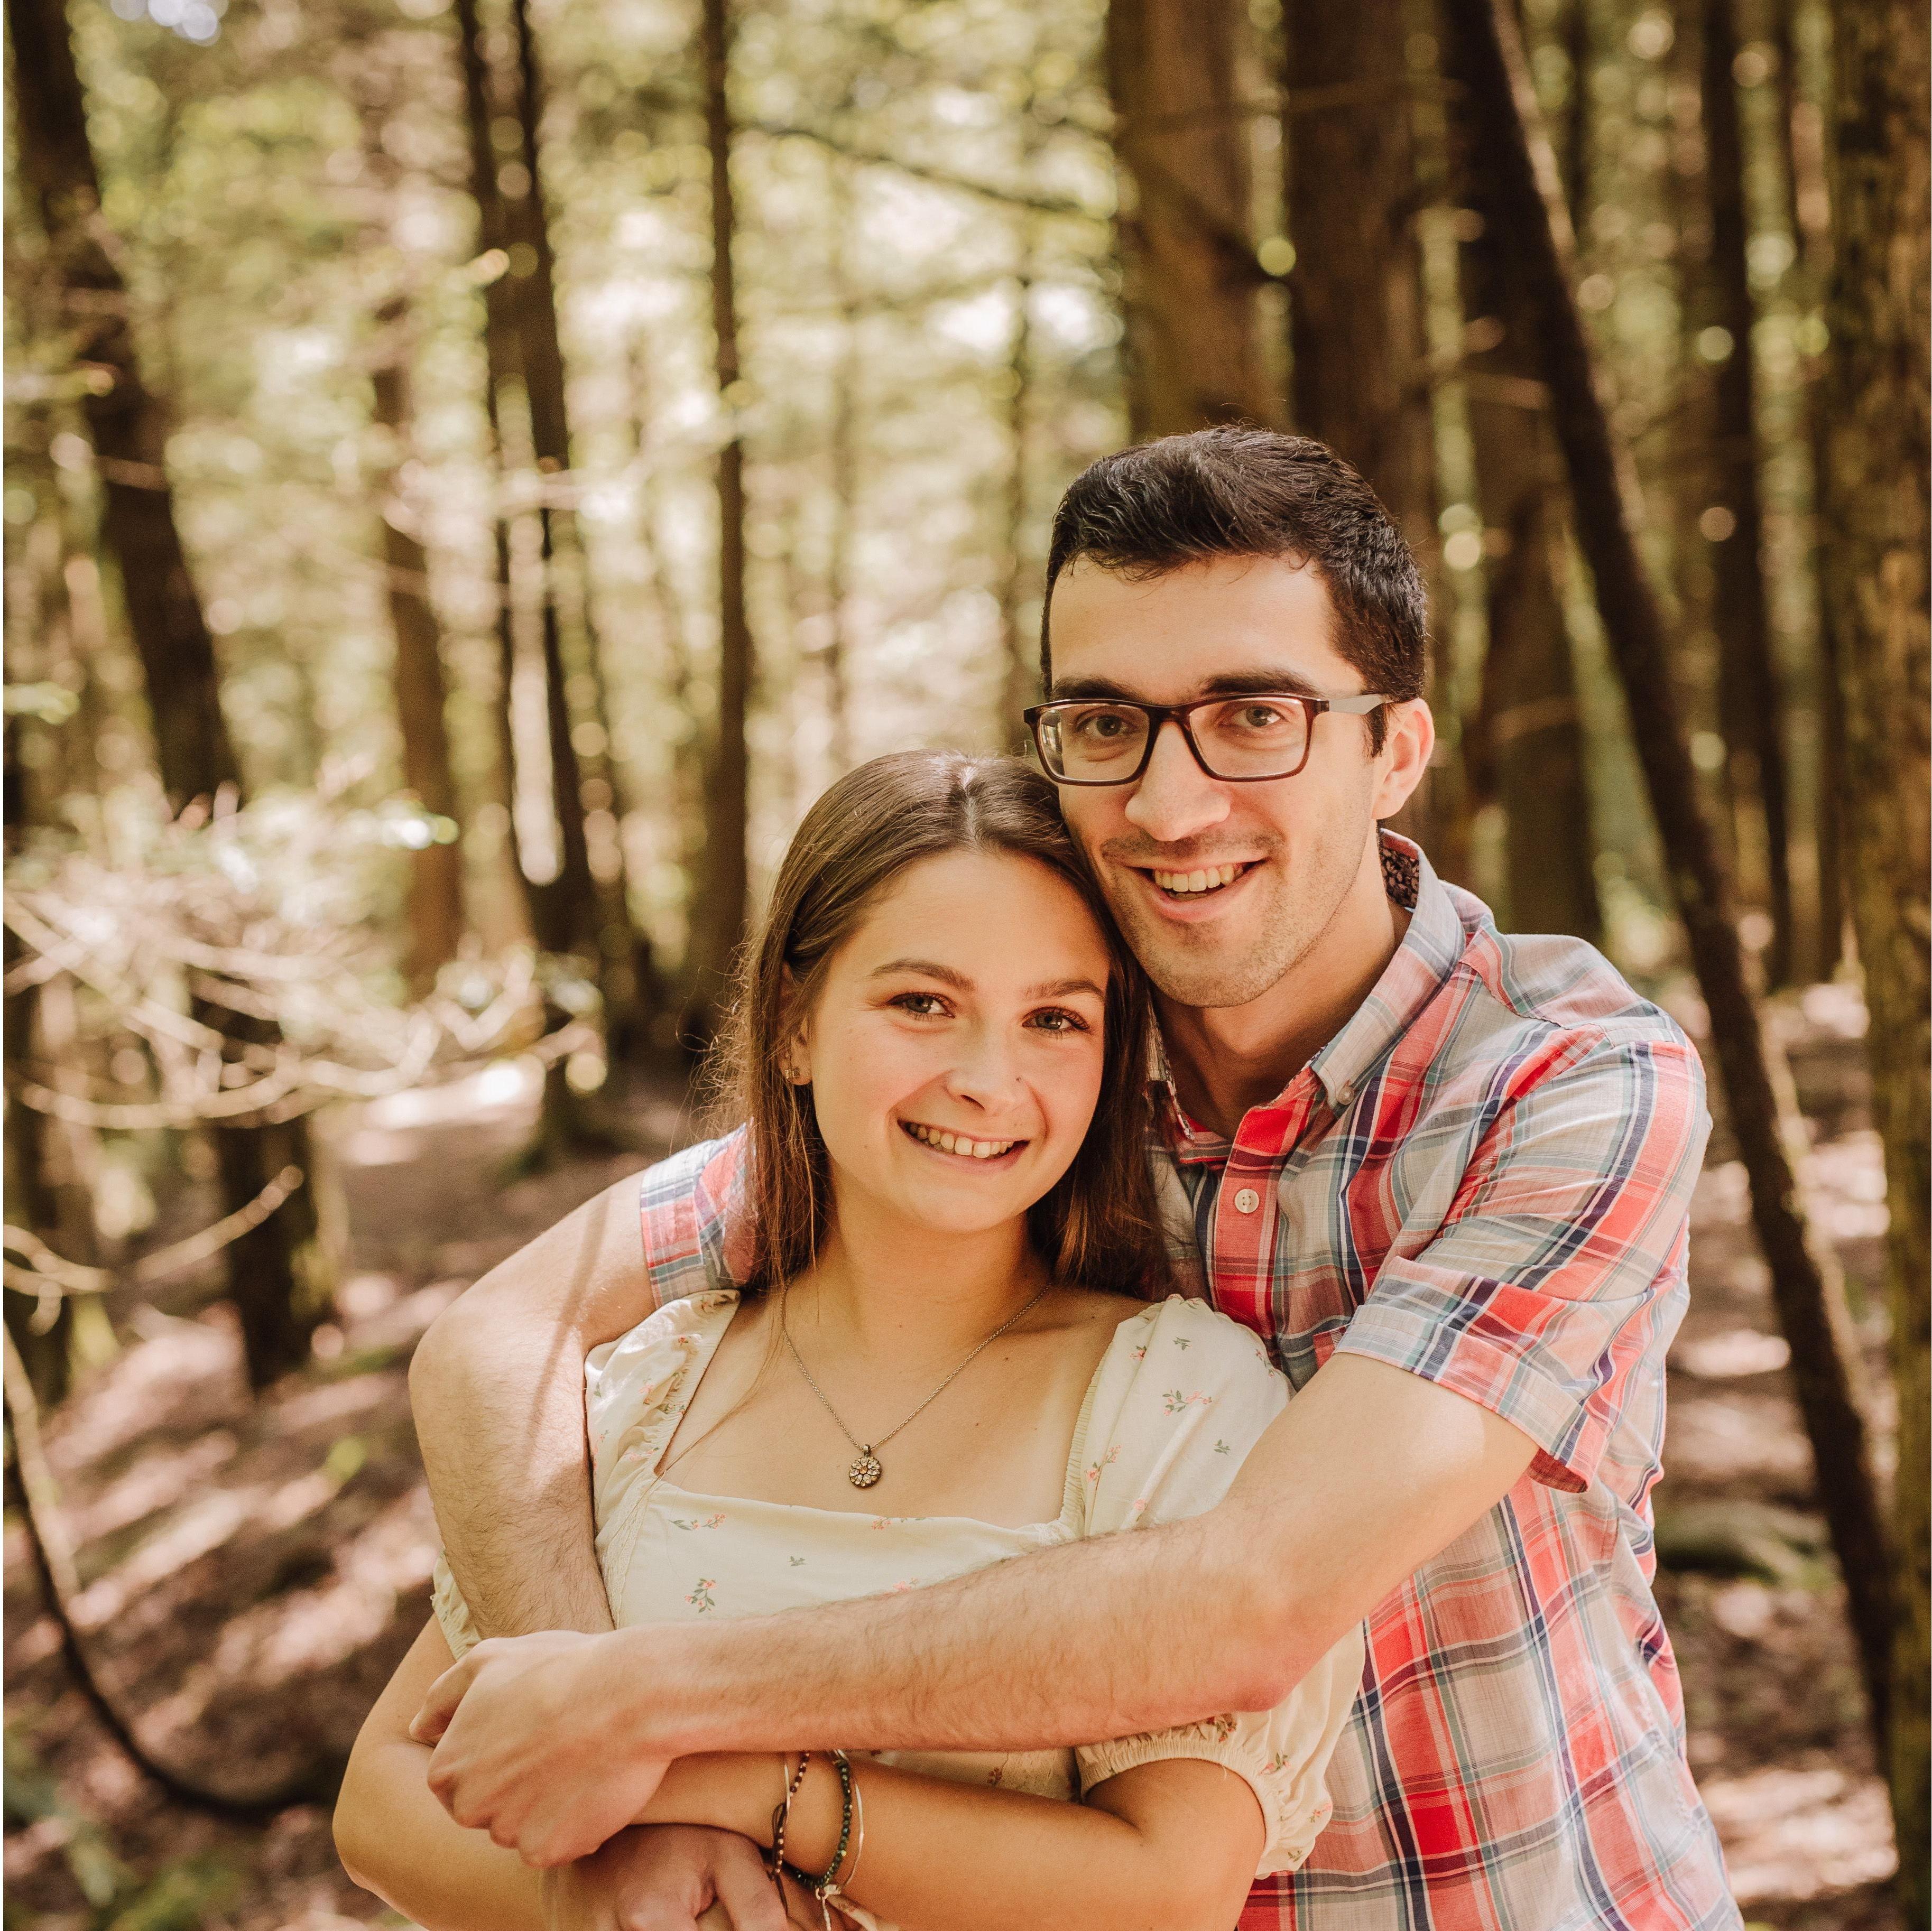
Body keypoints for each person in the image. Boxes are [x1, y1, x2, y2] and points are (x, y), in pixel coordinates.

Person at [398, 429, 1741, 1929]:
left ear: (1396, 750)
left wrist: (645, 1711)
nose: (1168, 805)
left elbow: (1249, 1603)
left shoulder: (1564, 1086)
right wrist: (598, 1776)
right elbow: (499, 1337)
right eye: (1107, 721)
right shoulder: (1027, 1072)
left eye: (1252, 716)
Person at [335, 751, 1365, 1930]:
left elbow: (1168, 1890)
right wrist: (598, 1887)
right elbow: (383, 1796)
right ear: (794, 1025)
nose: (987, 1080)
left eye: (1054, 1019)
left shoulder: (1178, 1400)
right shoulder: (647, 1382)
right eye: (922, 1003)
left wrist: (710, 1786)